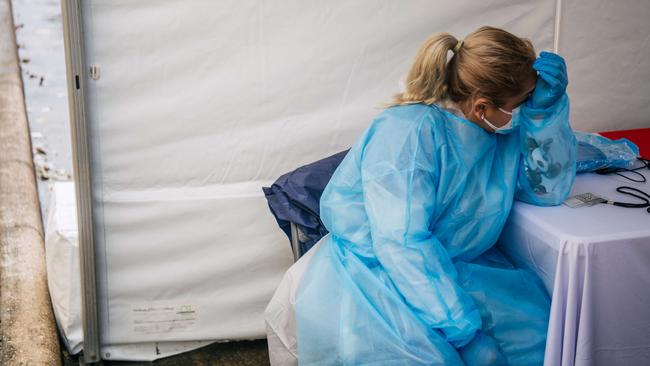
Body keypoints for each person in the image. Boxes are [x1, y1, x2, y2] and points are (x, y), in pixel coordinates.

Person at [265, 26, 576, 365]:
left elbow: (545, 190)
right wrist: (465, 333)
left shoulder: (491, 131)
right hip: (377, 274)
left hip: (450, 266)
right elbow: (401, 242)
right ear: (481, 106)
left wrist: (544, 114)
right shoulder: (407, 135)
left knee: (544, 341)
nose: (522, 112)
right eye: (522, 104)